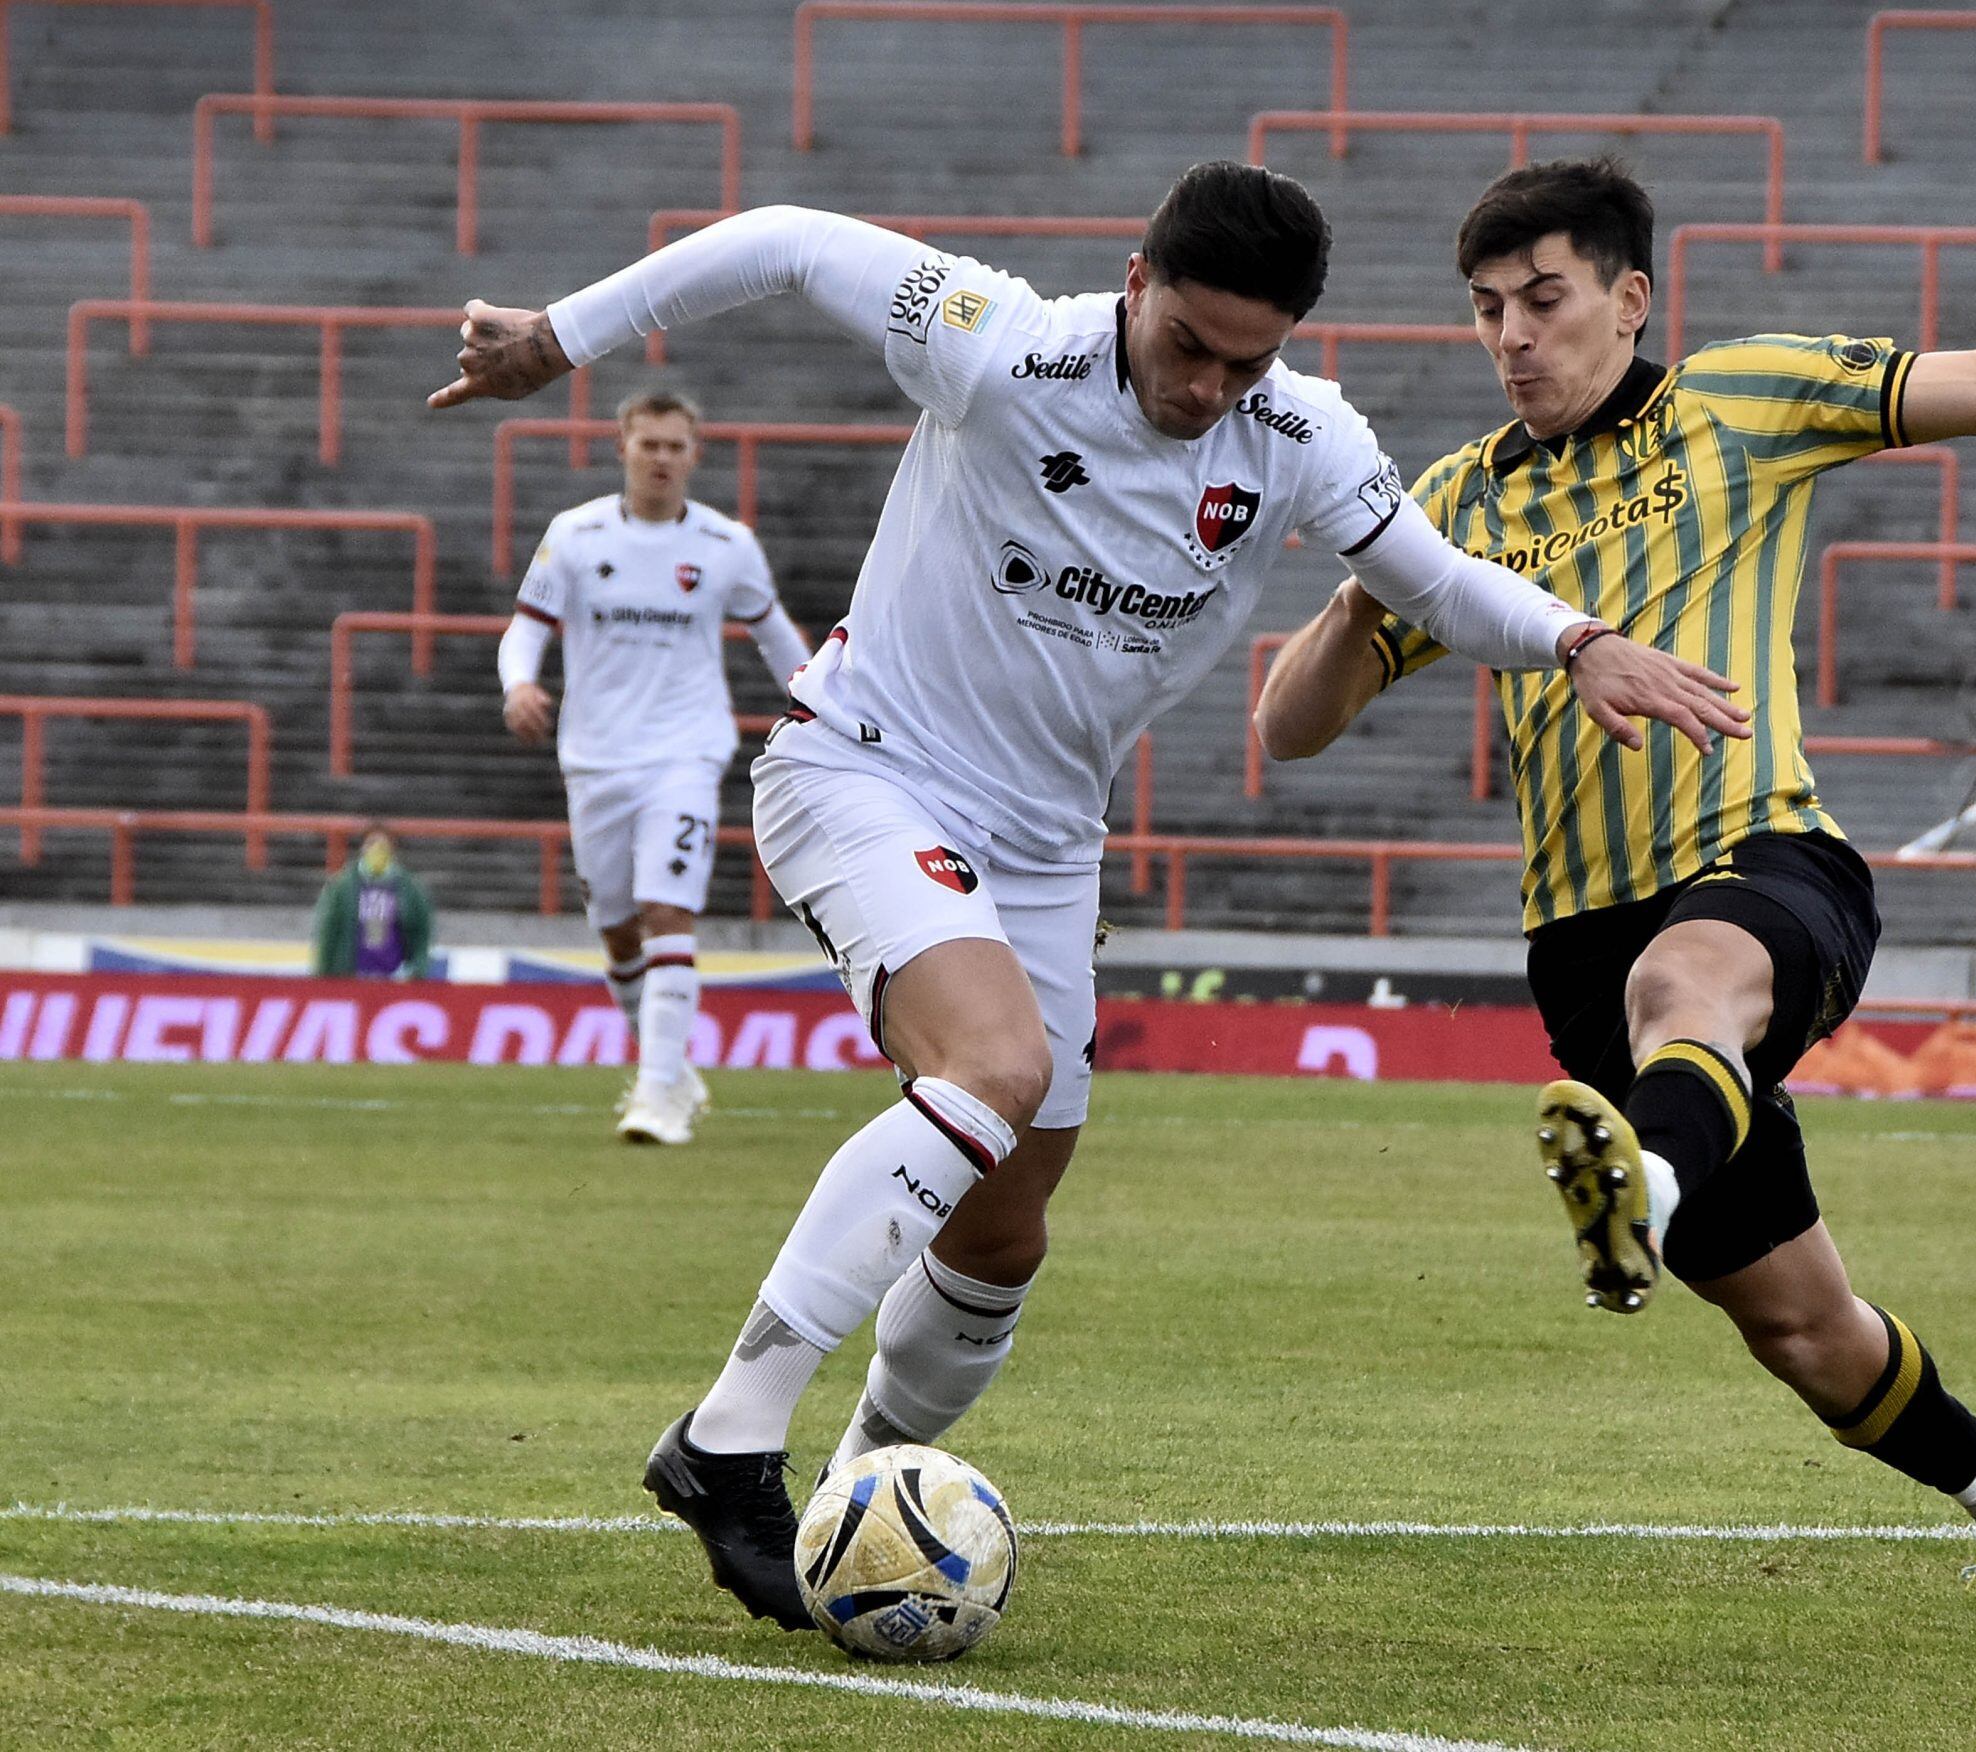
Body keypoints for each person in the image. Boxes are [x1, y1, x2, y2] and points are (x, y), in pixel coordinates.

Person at [431, 161, 1747, 1631]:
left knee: (1003, 1227)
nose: (1209, 386)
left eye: (1250, 357)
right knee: (995, 1065)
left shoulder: (1296, 434)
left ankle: (856, 1508)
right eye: (1189, 343)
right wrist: (563, 333)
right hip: (865, 770)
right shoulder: (1000, 339)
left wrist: (1575, 640)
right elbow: (791, 239)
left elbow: (1435, 583)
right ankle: (728, 1440)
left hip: (1050, 847)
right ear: (1135, 282)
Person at [1253, 158, 1976, 1641]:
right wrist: (1368, 590)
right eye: (1487, 310)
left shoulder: (1743, 403)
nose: (1511, 337)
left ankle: (1648, 1180)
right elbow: (1287, 729)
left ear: (1629, 300)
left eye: (1544, 301)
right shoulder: (1452, 507)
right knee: (1806, 1334)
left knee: (1679, 990)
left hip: (1768, 870)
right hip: (1577, 940)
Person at [496, 389, 812, 1147]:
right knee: (616, 931)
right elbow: (524, 631)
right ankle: (665, 1066)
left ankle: (660, 1094)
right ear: (622, 448)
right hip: (596, 758)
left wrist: (819, 706)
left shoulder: (725, 545)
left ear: (695, 455)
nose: (662, 459)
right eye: (649, 445)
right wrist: (519, 684)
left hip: (684, 753)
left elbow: (774, 637)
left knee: (668, 912)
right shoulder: (575, 535)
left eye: (676, 446)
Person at [310, 827, 434, 980]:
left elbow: (422, 932)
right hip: (350, 977)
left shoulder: (410, 888)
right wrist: (322, 973)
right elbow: (328, 931)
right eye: (371, 844)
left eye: (383, 846)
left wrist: (416, 969)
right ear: (362, 848)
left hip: (395, 978)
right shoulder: (342, 886)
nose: (376, 850)